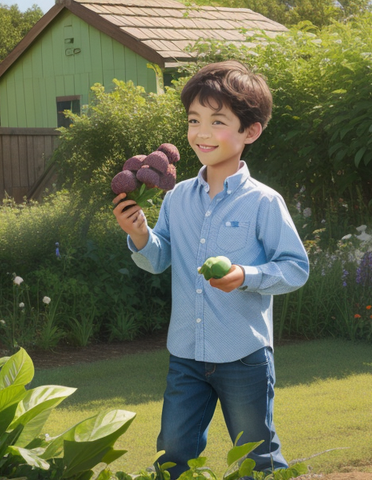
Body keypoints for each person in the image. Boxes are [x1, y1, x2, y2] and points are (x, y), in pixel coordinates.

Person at [112, 60, 309, 478]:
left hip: (244, 356)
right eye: (194, 120)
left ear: (249, 132)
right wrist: (141, 236)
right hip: (185, 352)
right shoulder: (178, 197)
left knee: (259, 458)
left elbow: (295, 268)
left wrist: (245, 276)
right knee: (173, 455)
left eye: (217, 121)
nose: (201, 133)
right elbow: (161, 257)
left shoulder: (263, 202)